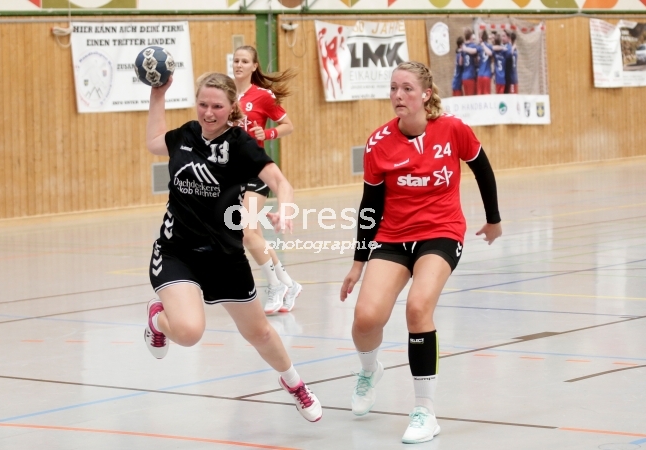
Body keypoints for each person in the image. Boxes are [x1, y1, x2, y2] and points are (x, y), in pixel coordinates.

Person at [143, 71, 322, 423]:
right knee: (190, 332)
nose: (209, 113)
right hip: (176, 250)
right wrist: (158, 95)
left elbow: (280, 182)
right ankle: (158, 320)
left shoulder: (240, 145)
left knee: (260, 332)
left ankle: (295, 384)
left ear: (231, 107)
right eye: (203, 104)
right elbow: (152, 141)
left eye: (217, 106)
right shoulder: (184, 136)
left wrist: (285, 206)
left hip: (224, 256)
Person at [339, 61, 502, 444]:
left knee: (417, 308)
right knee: (366, 319)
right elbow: (370, 205)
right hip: (393, 237)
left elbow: (483, 169)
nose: (398, 95)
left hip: (440, 233)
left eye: (407, 89)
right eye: (394, 88)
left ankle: (424, 411)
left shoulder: (452, 130)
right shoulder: (379, 143)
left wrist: (493, 219)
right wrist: (358, 261)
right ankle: (368, 371)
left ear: (425, 95)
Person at [232, 45, 303, 315]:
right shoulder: (226, 95)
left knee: (247, 232)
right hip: (232, 173)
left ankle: (274, 286)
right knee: (256, 237)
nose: (239, 64)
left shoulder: (262, 96)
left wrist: (267, 134)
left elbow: (288, 125)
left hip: (256, 169)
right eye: (236, 60)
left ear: (254, 66)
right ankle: (289, 283)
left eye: (245, 61)